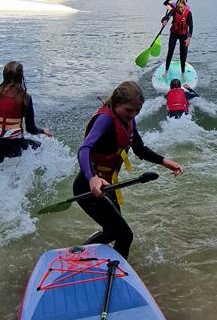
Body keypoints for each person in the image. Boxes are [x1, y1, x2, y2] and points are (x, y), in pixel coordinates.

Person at [73, 80, 183, 258]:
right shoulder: (105, 120)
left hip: (108, 187)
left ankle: (84, 258)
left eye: (137, 111)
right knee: (125, 235)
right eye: (129, 110)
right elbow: (85, 149)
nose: (133, 115)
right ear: (116, 104)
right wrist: (92, 177)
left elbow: (139, 149)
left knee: (113, 232)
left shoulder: (127, 121)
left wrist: (164, 161)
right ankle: (103, 269)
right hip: (88, 187)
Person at [0, 61, 52, 163]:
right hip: (14, 145)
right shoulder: (25, 98)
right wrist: (43, 131)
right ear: (21, 77)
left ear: (4, 74)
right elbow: (31, 129)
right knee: (40, 147)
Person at [162, 0, 193, 79]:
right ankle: (166, 71)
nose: (180, 9)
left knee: (182, 53)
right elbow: (166, 17)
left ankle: (183, 73)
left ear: (185, 6)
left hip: (184, 34)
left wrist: (189, 38)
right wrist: (164, 21)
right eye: (178, 7)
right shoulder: (174, 10)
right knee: (170, 50)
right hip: (174, 33)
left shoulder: (188, 13)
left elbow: (191, 26)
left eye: (181, 7)